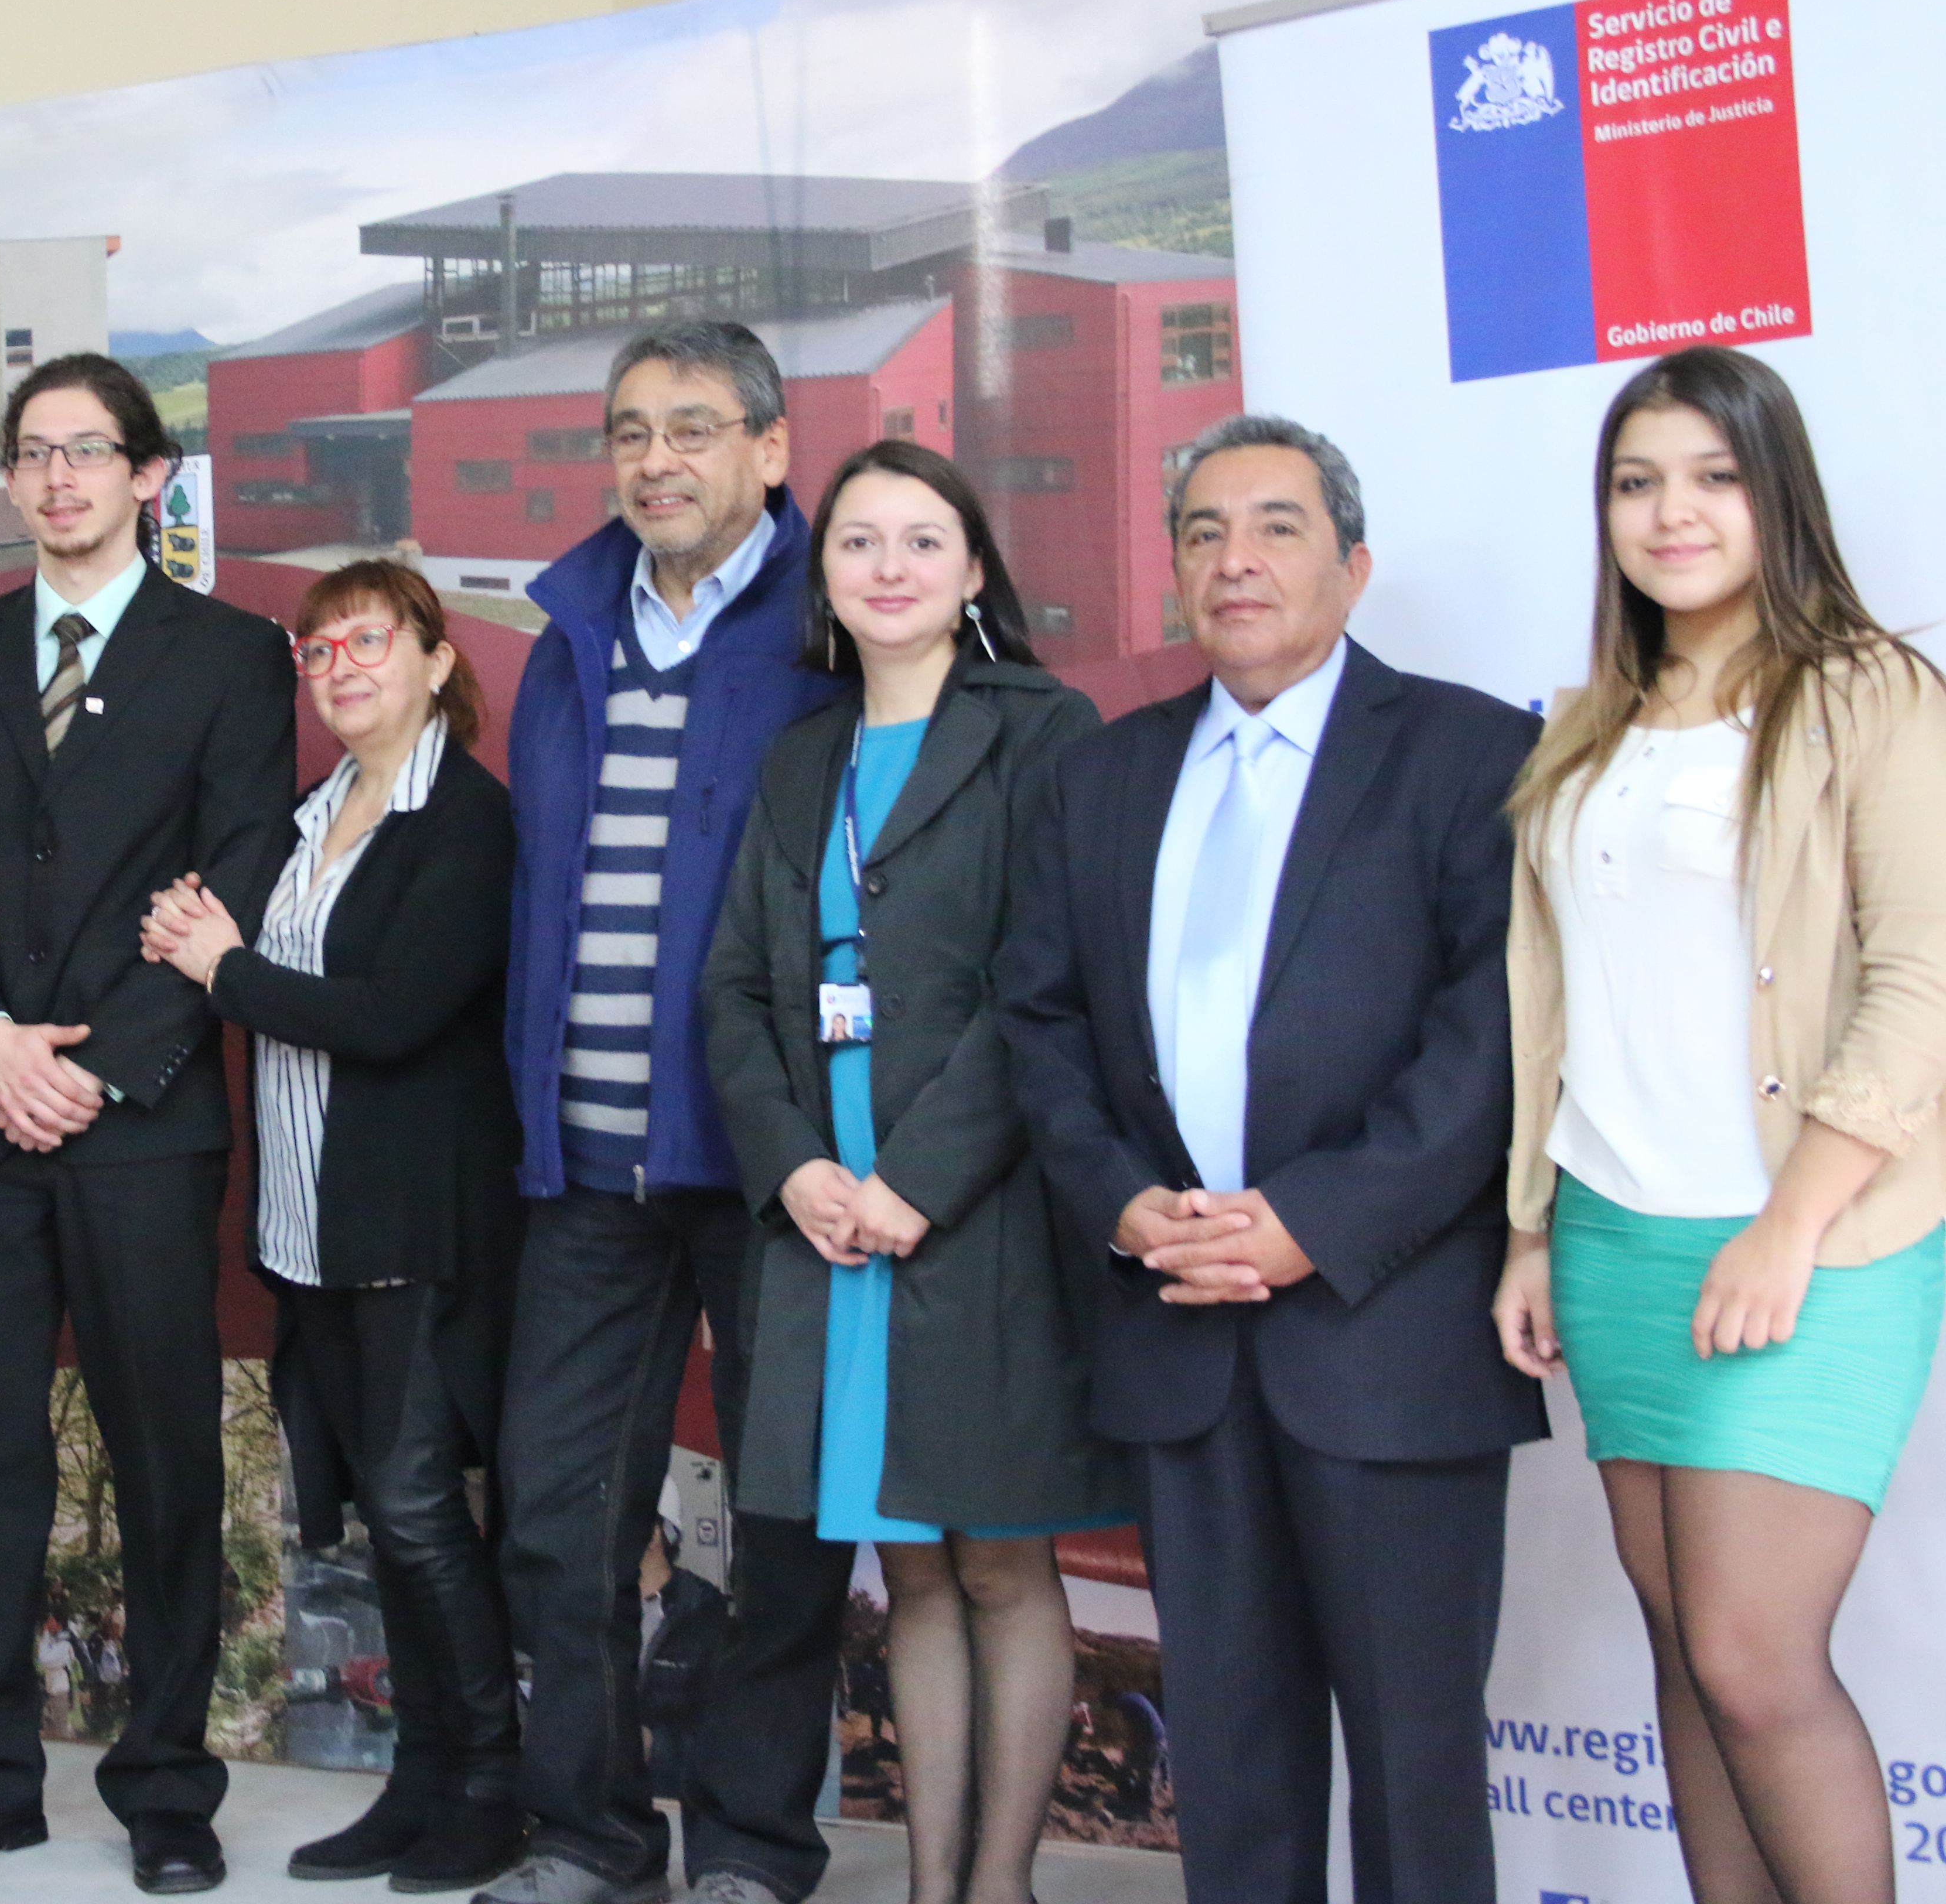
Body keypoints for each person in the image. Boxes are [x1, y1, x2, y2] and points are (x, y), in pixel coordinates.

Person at [997, 413, 1545, 1904]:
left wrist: (1310, 1222)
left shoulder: (1470, 750)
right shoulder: (1103, 780)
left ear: (1353, 566)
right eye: (1202, 532)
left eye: (1278, 527)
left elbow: (1491, 1031)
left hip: (1386, 1339)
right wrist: (1125, 1205)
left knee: (1416, 1759)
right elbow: (1038, 1025)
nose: (1235, 560)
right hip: (1175, 1332)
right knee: (1231, 1763)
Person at [1490, 346, 1946, 1904]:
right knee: (1684, 1643)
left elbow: (1923, 984)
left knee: (1758, 1659)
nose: (1670, 512)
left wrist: (1792, 1223)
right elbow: (1558, 1005)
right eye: (1637, 481)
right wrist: (1535, 1231)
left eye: (1711, 476)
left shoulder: (1869, 693)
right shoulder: (1590, 724)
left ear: (1776, 494)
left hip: (1809, 1244)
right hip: (1618, 1237)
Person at [0, 353, 293, 1896]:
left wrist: (100, 1066)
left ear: (149, 478)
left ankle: (167, 1787)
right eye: (32, 455)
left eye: (89, 454)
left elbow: (236, 878)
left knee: (164, 1454)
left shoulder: (234, 657)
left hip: (143, 1126)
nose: (58, 480)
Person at [701, 442, 1124, 1904]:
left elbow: (1048, 994)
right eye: (859, 542)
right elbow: (739, 992)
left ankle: (997, 1886)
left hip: (977, 1219)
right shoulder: (800, 754)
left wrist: (918, 1180)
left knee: (1001, 1560)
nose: (889, 567)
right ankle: (934, 1886)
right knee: (915, 1574)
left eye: (923, 541)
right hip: (831, 1228)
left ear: (973, 571)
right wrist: (798, 1169)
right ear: (822, 576)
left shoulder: (1042, 732)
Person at [484, 321, 842, 1904]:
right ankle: (591, 1835)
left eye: (694, 428)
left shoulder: (838, 628)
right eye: (631, 430)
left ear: (773, 448)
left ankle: (756, 1848)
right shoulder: (567, 635)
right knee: (561, 1520)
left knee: (777, 1524)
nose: (656, 460)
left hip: (770, 1169)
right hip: (586, 1165)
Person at [140, 559, 527, 1891]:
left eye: (373, 640)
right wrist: (207, 933)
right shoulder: (312, 817)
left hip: (416, 1224)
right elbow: (242, 942)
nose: (343, 665)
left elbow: (392, 1016)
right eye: (319, 651)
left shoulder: (465, 823)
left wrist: (223, 969)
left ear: (435, 661)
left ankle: (490, 1789)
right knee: (375, 1520)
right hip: (309, 1229)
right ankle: (417, 1785)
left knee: (422, 1513)